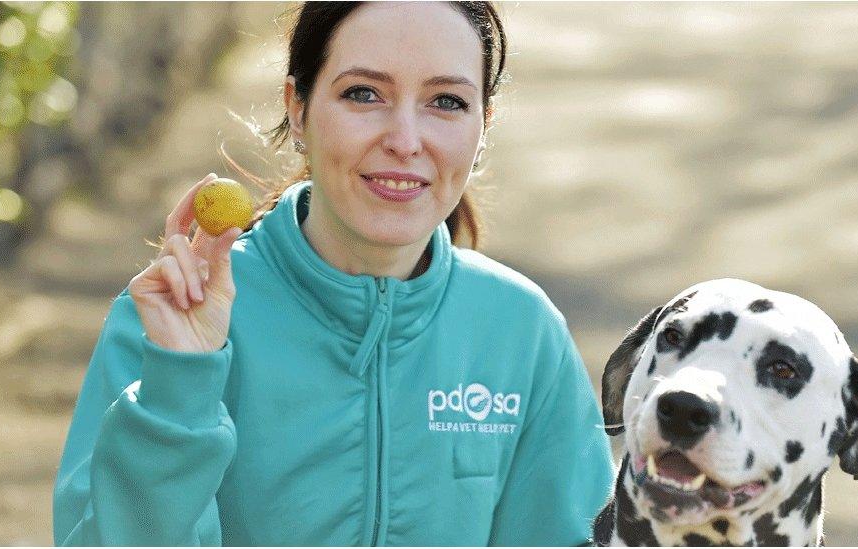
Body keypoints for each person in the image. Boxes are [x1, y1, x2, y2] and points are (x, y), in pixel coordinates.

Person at [53, 2, 614, 545]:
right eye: (363, 94)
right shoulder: (172, 317)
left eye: (446, 101)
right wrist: (179, 389)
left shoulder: (522, 330)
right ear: (298, 109)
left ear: (483, 125)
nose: (405, 140)